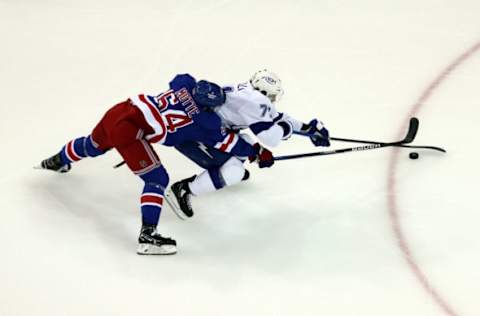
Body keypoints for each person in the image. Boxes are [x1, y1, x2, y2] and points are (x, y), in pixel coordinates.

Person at [37, 73, 274, 255]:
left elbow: (179, 78)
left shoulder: (185, 85)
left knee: (93, 145)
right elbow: (230, 142)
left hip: (121, 110)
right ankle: (147, 237)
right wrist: (257, 152)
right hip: (131, 131)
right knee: (157, 179)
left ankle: (58, 160)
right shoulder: (206, 122)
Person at [165, 69, 330, 218]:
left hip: (210, 133)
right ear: (264, 92)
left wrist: (307, 129)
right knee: (235, 171)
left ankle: (221, 173)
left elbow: (277, 117)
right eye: (271, 97)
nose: (271, 101)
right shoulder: (257, 102)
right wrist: (281, 133)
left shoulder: (247, 92)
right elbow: (272, 138)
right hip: (194, 138)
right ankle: (185, 189)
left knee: (244, 144)